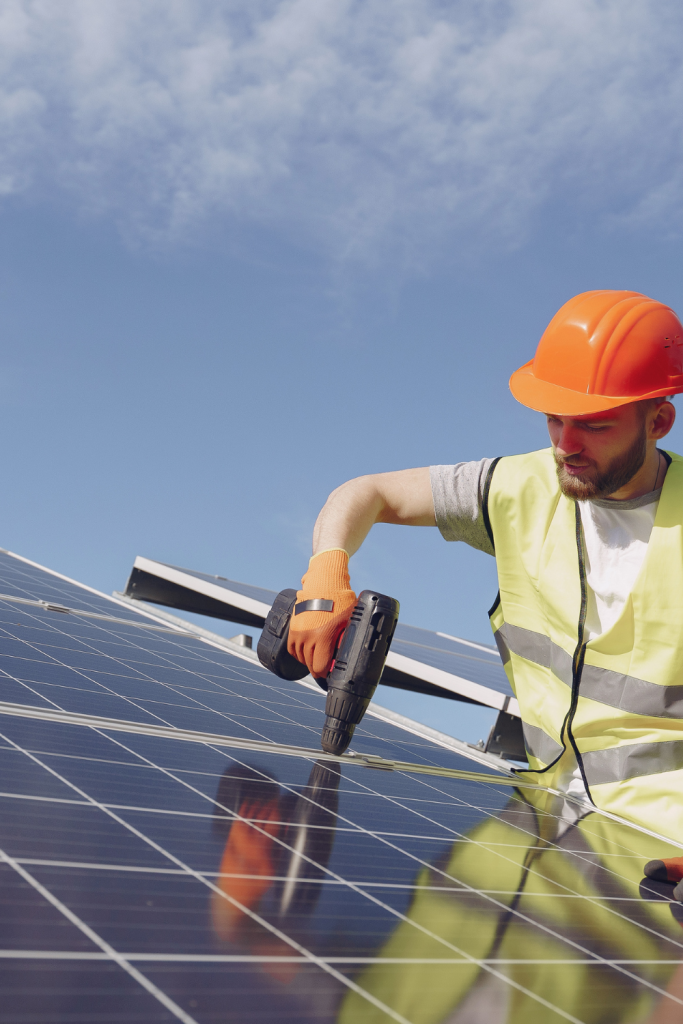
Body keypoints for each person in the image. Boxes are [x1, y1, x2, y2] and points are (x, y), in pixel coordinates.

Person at [287, 289, 683, 866]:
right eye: (553, 419)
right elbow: (364, 493)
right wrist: (326, 573)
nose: (565, 445)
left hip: (664, 845)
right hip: (543, 818)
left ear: (659, 421)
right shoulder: (516, 488)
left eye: (594, 425)